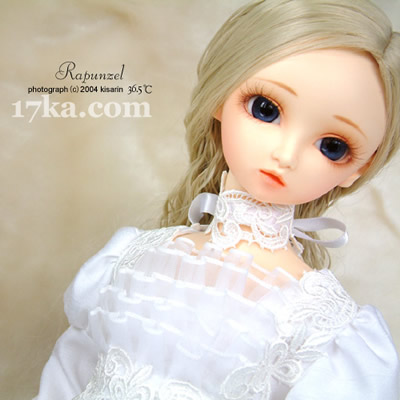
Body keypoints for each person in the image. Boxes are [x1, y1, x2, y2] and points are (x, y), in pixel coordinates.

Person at [35, 0, 400, 398]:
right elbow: (66, 378)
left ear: (359, 168)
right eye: (266, 109)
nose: (286, 155)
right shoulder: (130, 260)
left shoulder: (328, 332)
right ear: (220, 97)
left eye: (332, 146)